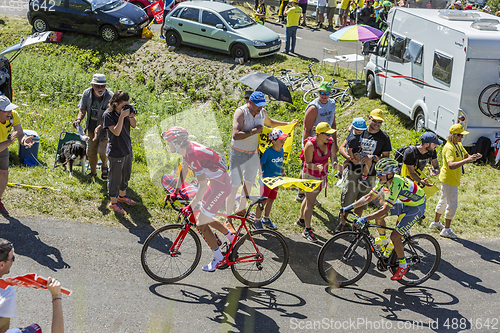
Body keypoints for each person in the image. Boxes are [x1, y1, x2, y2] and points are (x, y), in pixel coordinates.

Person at [162, 127, 237, 271]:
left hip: (220, 186)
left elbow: (202, 186)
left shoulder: (193, 155)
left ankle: (219, 259)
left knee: (201, 224)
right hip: (216, 183)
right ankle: (233, 239)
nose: (168, 145)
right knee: (203, 216)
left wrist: (190, 206)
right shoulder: (186, 150)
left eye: (169, 142)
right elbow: (184, 169)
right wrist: (175, 192)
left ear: (177, 142)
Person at [340, 158, 427, 281]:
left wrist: (364, 218)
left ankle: (403, 265)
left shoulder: (396, 183)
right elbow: (368, 197)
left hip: (416, 207)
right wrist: (348, 207)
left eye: (380, 174)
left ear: (390, 175)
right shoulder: (383, 180)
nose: (377, 175)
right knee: (378, 216)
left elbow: (385, 210)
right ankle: (384, 243)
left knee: (395, 236)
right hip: (405, 202)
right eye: (377, 172)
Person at [225, 92, 297, 233]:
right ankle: (228, 219)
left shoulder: (262, 112)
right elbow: (235, 134)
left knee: (249, 183)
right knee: (234, 186)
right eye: (258, 105)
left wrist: (288, 124)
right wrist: (254, 131)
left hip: (253, 154)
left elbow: (270, 123)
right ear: (250, 102)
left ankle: (241, 208)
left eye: (263, 105)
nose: (261, 108)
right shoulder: (241, 112)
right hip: (238, 153)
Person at [335, 109, 392, 233]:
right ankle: (342, 223)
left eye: (380, 122)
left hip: (370, 174)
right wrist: (350, 158)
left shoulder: (384, 137)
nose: (377, 124)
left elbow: (386, 158)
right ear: (369, 118)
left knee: (362, 200)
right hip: (353, 171)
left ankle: (355, 225)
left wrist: (374, 157)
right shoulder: (359, 129)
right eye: (375, 120)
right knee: (347, 198)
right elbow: (342, 148)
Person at [0, 239, 64, 333]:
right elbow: (3, 330)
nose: (13, 261)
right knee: (34, 329)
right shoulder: (6, 293)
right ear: (1, 264)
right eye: (12, 258)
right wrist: (56, 296)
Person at [431, 124, 481, 239]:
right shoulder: (449, 148)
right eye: (460, 135)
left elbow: (465, 155)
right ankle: (446, 230)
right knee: (452, 204)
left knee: (443, 200)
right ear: (453, 135)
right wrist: (466, 160)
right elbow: (451, 165)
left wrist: (473, 157)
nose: (462, 137)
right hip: (450, 179)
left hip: (450, 178)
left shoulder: (458, 144)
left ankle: (436, 223)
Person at [296, 81, 338, 203]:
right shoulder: (314, 107)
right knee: (306, 168)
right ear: (318, 92)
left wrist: (334, 141)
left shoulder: (332, 103)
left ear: (330, 93)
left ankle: (311, 194)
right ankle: (301, 193)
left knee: (319, 168)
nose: (324, 95)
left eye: (327, 93)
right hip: (313, 142)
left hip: (326, 140)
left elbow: (333, 123)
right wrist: (306, 146)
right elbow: (306, 128)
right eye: (321, 93)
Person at [296, 122, 338, 242]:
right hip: (310, 175)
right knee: (310, 203)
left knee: (309, 198)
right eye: (327, 134)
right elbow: (307, 163)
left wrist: (335, 164)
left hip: (322, 175)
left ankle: (301, 220)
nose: (329, 136)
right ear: (319, 134)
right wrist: (316, 167)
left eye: (330, 134)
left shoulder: (330, 142)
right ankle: (307, 230)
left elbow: (333, 157)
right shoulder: (310, 145)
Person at [102, 91, 137, 215]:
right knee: (114, 177)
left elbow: (134, 125)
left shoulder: (125, 112)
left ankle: (122, 196)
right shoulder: (108, 115)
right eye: (123, 105)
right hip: (116, 151)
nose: (125, 108)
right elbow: (116, 132)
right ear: (116, 104)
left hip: (127, 148)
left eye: (127, 105)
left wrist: (131, 116)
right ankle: (113, 202)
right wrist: (122, 117)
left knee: (125, 175)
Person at [0, 96, 34, 217]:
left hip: (3, 145)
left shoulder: (13, 115)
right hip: (2, 144)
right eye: (6, 110)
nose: (9, 112)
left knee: (4, 174)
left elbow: (19, 133)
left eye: (10, 109)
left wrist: (24, 140)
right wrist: (9, 142)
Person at [74, 74, 113, 179]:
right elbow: (82, 110)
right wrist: (78, 120)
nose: (100, 89)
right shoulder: (87, 93)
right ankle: (93, 172)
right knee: (91, 151)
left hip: (105, 129)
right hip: (91, 128)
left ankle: (105, 165)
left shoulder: (110, 96)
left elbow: (112, 117)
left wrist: (100, 127)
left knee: (103, 150)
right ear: (92, 85)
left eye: (103, 86)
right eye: (97, 86)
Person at [253, 128, 288, 230]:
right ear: (273, 141)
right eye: (281, 141)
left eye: (284, 140)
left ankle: (266, 219)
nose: (283, 142)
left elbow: (279, 163)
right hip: (266, 182)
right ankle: (257, 220)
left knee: (271, 200)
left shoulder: (281, 150)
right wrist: (260, 171)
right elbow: (260, 162)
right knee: (262, 201)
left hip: (276, 181)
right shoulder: (268, 152)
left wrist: (282, 172)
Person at [346, 117, 372, 188]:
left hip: (355, 150)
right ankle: (363, 178)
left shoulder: (352, 130)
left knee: (368, 157)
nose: (360, 131)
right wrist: (353, 159)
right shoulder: (354, 138)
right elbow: (349, 150)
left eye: (362, 129)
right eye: (358, 129)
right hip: (353, 152)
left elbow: (349, 129)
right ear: (353, 127)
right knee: (369, 161)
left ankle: (341, 170)